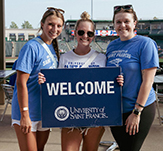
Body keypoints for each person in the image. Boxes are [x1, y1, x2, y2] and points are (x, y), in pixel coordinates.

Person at [38, 11, 124, 151]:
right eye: (81, 32)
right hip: (70, 118)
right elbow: (56, 87)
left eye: (89, 33)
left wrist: (117, 81)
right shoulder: (65, 58)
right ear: (75, 33)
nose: (85, 36)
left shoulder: (101, 58)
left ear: (93, 36)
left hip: (95, 117)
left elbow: (108, 86)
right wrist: (44, 81)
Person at [106, 4, 159, 151]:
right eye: (118, 22)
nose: (122, 25)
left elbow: (148, 82)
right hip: (117, 110)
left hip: (138, 108)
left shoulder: (145, 44)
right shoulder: (112, 46)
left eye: (126, 21)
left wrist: (137, 112)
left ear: (134, 23)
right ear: (114, 24)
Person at [11, 7, 65, 151]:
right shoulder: (31, 47)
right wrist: (24, 114)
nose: (55, 29)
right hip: (28, 111)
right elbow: (21, 82)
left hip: (44, 111)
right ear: (42, 24)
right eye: (51, 24)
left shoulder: (53, 48)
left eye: (59, 26)